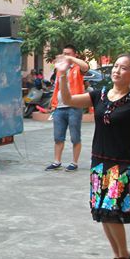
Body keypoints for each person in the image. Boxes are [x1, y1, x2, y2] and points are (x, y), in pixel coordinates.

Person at [55, 53, 130, 259]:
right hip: (100, 163)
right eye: (116, 66)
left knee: (111, 210)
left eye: (124, 68)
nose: (117, 70)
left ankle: (124, 255)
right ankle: (117, 255)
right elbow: (68, 100)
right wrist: (63, 75)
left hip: (121, 164)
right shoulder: (100, 95)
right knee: (104, 212)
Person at [46, 44, 89, 172]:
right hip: (59, 107)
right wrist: (53, 103)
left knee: (75, 137)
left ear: (75, 55)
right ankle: (57, 161)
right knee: (58, 137)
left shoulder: (77, 68)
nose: (65, 56)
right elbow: (57, 87)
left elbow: (86, 67)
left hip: (74, 107)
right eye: (64, 53)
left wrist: (71, 59)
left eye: (68, 54)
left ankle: (74, 163)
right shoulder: (60, 69)